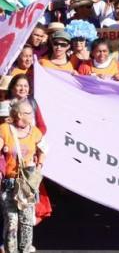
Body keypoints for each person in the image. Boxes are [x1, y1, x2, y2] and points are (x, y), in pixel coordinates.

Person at [0, 100, 46, 253]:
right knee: (12, 221)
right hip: (9, 182)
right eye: (28, 113)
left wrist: (38, 167)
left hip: (27, 182)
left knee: (26, 221)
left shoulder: (35, 132)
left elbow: (44, 150)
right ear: (19, 114)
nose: (32, 115)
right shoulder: (5, 130)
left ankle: (25, 250)